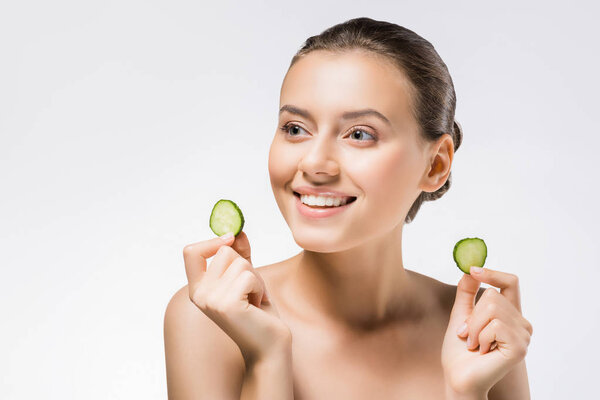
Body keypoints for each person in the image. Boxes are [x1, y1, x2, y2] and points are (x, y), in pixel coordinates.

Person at [164, 17, 533, 399]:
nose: (314, 163)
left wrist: (464, 393)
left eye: (359, 134)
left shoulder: (481, 329)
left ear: (435, 164)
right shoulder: (209, 319)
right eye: (295, 129)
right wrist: (267, 358)